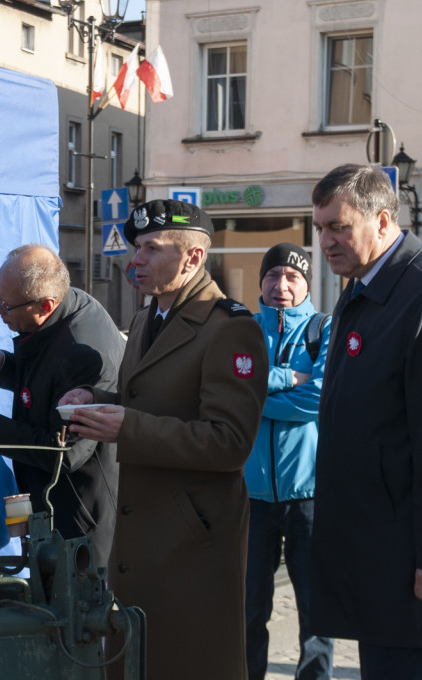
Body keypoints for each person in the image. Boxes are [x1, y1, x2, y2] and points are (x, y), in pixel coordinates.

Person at [60, 199, 268, 680]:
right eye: (137, 247)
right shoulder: (152, 317)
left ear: (193, 258)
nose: (136, 259)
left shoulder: (230, 329)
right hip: (147, 537)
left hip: (191, 545)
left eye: (151, 248)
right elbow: (156, 398)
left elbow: (230, 441)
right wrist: (97, 397)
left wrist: (125, 426)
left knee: (189, 663)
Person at [310, 164, 422, 678]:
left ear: (383, 221)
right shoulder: (362, 287)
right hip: (374, 554)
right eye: (320, 227)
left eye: (339, 227)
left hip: (411, 565)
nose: (325, 241)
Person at [0, 244, 125, 567]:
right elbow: (47, 378)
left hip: (80, 524)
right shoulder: (63, 305)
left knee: (75, 611)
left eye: (6, 306)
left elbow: (66, 452)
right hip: (53, 511)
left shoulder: (84, 351)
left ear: (46, 304)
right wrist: (4, 364)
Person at [244, 243, 334, 680]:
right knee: (248, 610)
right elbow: (229, 389)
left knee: (316, 613)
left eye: (292, 277)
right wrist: (285, 378)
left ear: (306, 284)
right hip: (250, 497)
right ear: (260, 282)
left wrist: (255, 397)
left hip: (309, 495)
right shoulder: (241, 331)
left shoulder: (325, 329)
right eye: (273, 276)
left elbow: (319, 397)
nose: (282, 286)